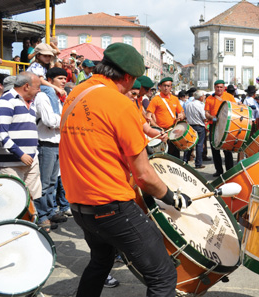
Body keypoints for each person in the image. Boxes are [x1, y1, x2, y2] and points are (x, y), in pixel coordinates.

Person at [60, 43, 189, 297]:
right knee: (163, 276)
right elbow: (143, 175)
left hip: (78, 206)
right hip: (112, 207)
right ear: (128, 77)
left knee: (100, 261)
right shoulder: (120, 105)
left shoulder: (76, 92)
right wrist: (172, 197)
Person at [0, 72, 44, 229]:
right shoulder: (7, 101)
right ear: (26, 86)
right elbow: (2, 134)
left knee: (30, 198)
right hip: (11, 162)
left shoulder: (30, 102)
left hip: (30, 160)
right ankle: (12, 232)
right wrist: (20, 154)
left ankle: (28, 229)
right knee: (12, 202)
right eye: (37, 87)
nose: (39, 90)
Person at [34, 67, 70, 230]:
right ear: (50, 80)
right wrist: (62, 121)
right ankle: (42, 216)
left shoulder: (60, 98)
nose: (64, 81)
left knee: (53, 181)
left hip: (57, 142)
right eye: (60, 78)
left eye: (65, 78)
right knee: (45, 182)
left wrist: (61, 122)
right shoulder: (42, 96)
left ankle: (49, 211)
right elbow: (49, 121)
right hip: (46, 143)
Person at [147, 76, 185, 158]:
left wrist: (181, 115)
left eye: (168, 86)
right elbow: (148, 116)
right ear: (160, 87)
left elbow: (181, 112)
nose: (166, 88)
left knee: (175, 156)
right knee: (164, 156)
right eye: (164, 85)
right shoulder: (155, 99)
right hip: (161, 132)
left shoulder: (175, 99)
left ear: (171, 87)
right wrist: (157, 128)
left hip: (173, 131)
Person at [204, 80, 236, 176]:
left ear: (224, 88)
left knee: (227, 150)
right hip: (214, 126)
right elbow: (206, 112)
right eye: (217, 87)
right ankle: (219, 171)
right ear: (214, 87)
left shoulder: (229, 97)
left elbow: (235, 108)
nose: (219, 89)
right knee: (215, 150)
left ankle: (229, 171)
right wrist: (210, 117)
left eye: (221, 87)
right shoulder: (209, 98)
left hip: (226, 126)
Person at [184, 90, 207, 169]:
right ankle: (198, 163)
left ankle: (185, 161)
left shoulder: (188, 104)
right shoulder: (200, 105)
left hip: (190, 126)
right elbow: (204, 117)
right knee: (199, 145)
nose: (204, 97)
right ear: (201, 97)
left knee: (189, 144)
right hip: (199, 126)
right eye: (203, 96)